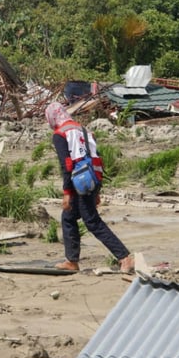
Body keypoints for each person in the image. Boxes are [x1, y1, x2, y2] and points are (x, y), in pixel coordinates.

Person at [45, 101, 133, 273]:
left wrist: (66, 192)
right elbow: (96, 159)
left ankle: (124, 257)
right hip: (92, 178)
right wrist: (97, 189)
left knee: (92, 221)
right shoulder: (84, 130)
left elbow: (67, 165)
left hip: (78, 182)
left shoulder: (60, 134)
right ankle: (72, 261)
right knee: (68, 218)